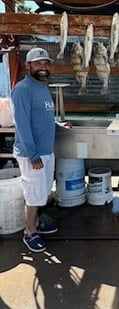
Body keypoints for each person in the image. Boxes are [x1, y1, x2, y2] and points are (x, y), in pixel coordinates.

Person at [12, 47, 72, 252]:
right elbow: (22, 124)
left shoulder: (42, 87)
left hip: (46, 151)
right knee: (33, 195)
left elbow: (44, 117)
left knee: (42, 193)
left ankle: (36, 223)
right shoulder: (22, 89)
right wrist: (33, 154)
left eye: (45, 63)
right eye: (38, 64)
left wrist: (59, 125)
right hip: (33, 154)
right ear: (28, 65)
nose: (43, 67)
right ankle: (29, 232)